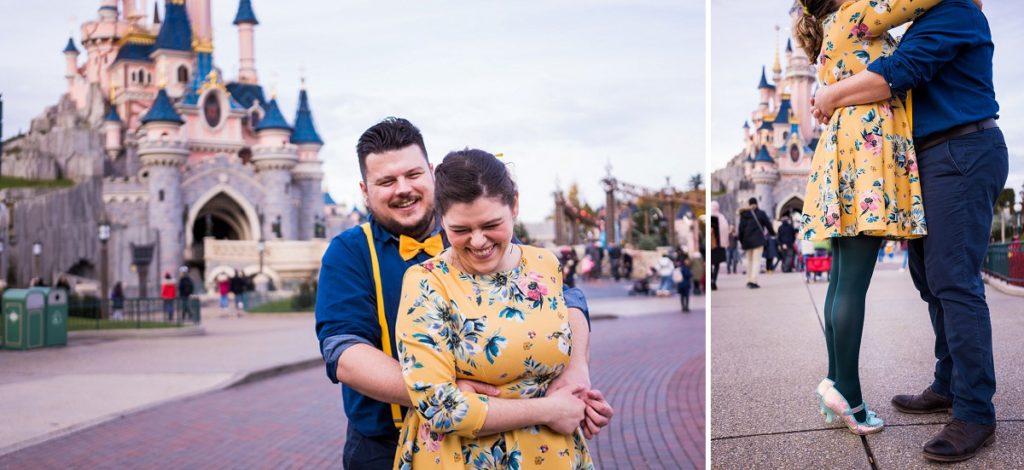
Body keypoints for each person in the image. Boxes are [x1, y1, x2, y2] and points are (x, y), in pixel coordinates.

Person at [314, 118, 612, 469]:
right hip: (388, 442)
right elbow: (344, 351)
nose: (403, 188)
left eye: (412, 174)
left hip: (527, 440)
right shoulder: (350, 252)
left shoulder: (480, 232)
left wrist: (574, 373)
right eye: (386, 181)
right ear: (365, 191)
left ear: (432, 172)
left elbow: (561, 297)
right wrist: (442, 392)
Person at [809, 0, 1004, 461]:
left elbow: (899, 71)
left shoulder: (956, 11)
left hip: (961, 147)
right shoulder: (921, 20)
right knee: (930, 281)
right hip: (932, 158)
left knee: (954, 281)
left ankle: (976, 411)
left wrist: (831, 96)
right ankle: (948, 384)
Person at [394, 149, 596, 468]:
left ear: (514, 204)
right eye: (460, 230)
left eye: (491, 224)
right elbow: (440, 407)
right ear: (440, 219)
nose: (478, 241)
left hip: (552, 454)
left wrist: (578, 392)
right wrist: (551, 410)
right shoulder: (426, 282)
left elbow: (559, 347)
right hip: (463, 458)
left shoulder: (545, 264)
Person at [795, 0, 935, 438]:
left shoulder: (829, 27)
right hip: (868, 152)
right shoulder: (858, 14)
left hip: (845, 149)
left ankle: (836, 384)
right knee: (851, 281)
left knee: (841, 279)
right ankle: (850, 397)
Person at [737, 198, 774, 288]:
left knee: (749, 261)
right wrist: (773, 233)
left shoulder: (744, 214)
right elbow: (768, 225)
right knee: (756, 261)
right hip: (758, 241)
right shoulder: (761, 213)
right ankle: (753, 281)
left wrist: (741, 241)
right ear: (757, 204)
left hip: (747, 241)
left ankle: (749, 280)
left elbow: (740, 229)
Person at [708, 201, 729, 290]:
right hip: (719, 245)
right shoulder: (722, 218)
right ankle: (714, 281)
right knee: (717, 264)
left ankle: (710, 279)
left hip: (710, 245)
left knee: (710, 264)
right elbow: (726, 232)